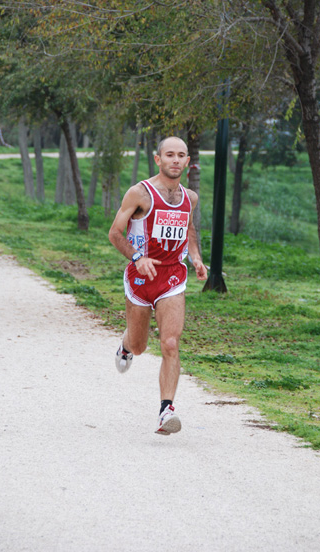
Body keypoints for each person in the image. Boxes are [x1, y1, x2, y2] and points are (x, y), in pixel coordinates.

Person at [108, 136, 207, 435]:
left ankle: (166, 411)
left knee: (171, 343)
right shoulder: (140, 193)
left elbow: (188, 228)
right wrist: (137, 257)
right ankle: (127, 344)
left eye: (181, 155)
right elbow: (114, 233)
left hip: (173, 277)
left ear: (187, 161)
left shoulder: (190, 197)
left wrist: (196, 258)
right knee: (140, 346)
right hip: (140, 277)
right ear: (158, 159)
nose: (175, 160)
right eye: (170, 155)